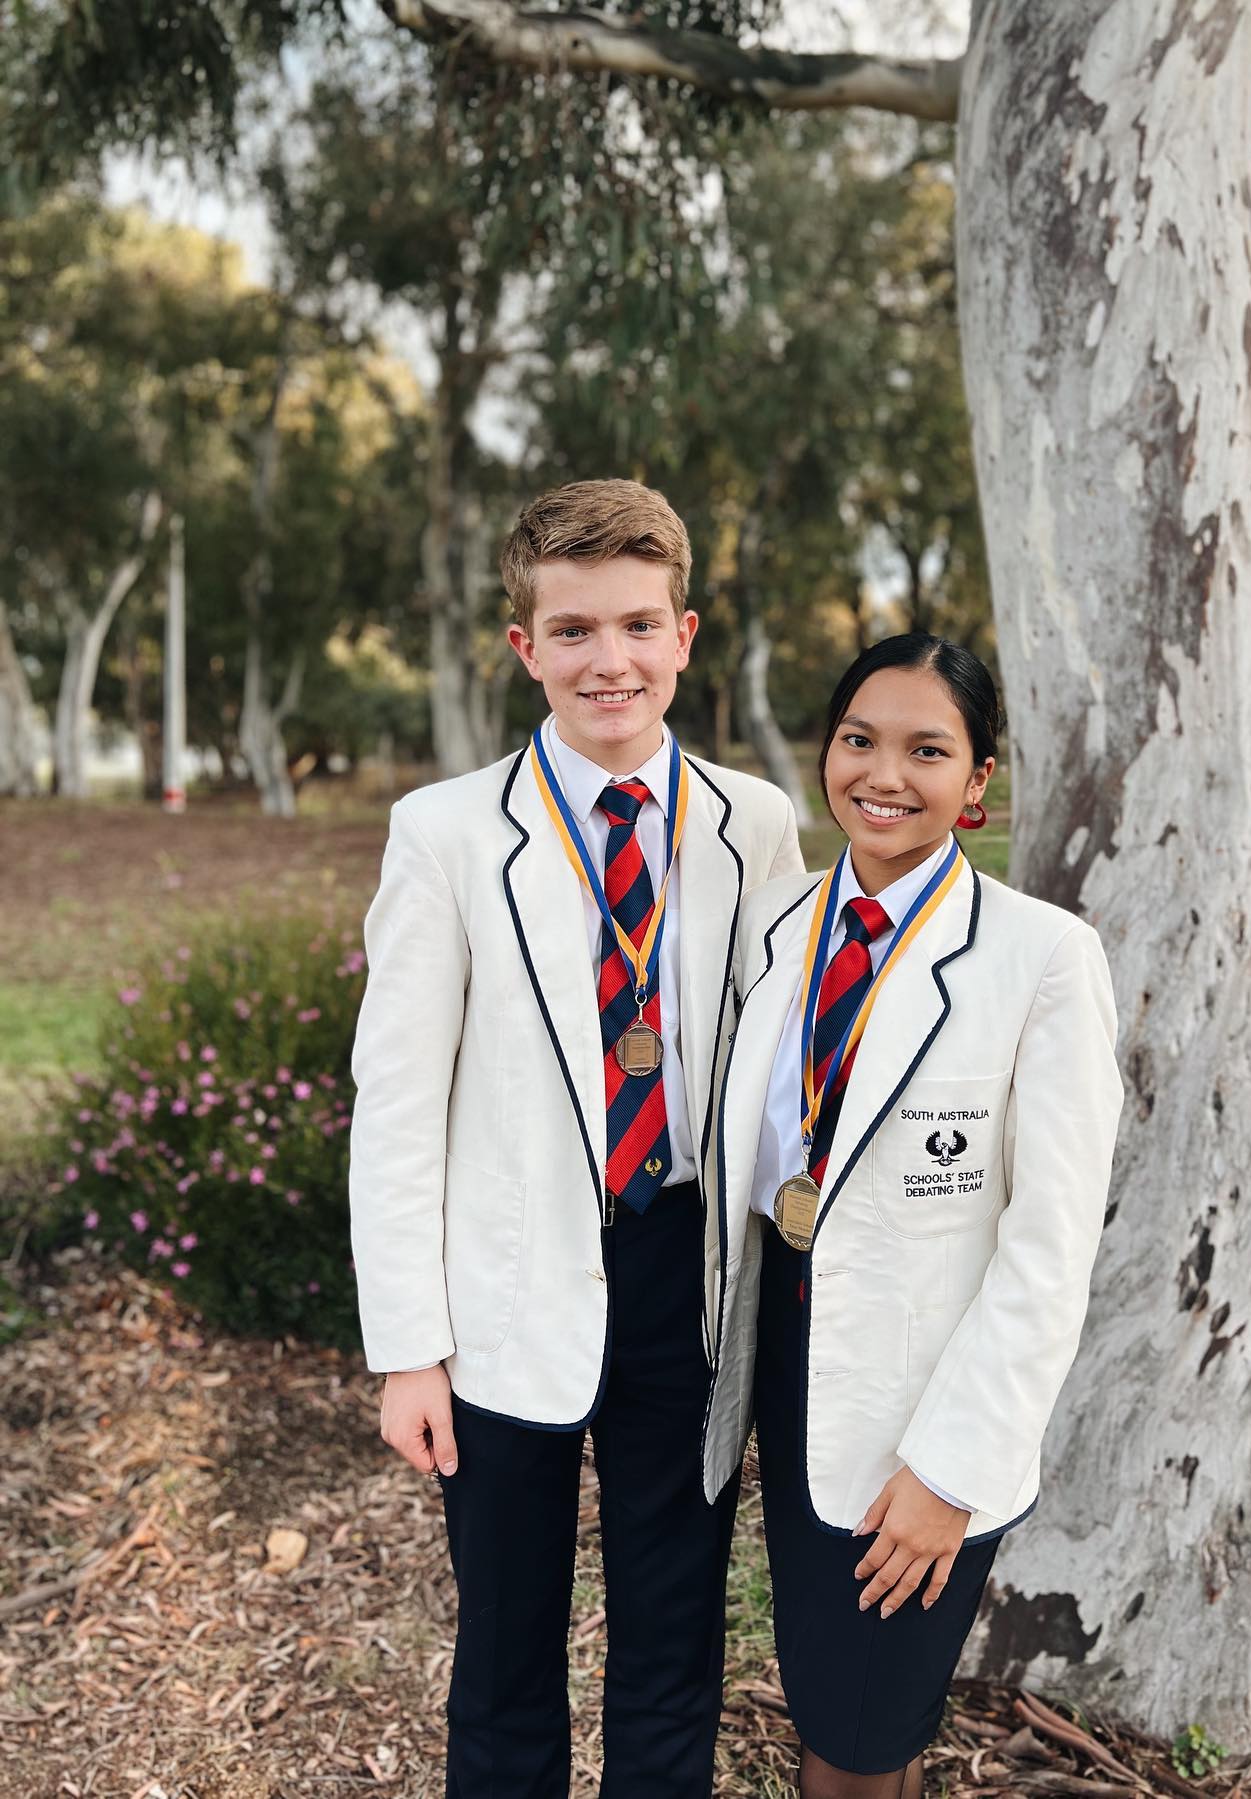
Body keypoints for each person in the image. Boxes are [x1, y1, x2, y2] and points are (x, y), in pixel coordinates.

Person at [348, 478, 804, 1797]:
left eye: (637, 624)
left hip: (686, 1280)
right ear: (524, 646)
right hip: (507, 1282)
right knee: (503, 1646)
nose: (609, 658)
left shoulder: (753, 822)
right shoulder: (443, 834)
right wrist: (408, 1349)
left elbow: (775, 1069)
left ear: (685, 635)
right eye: (573, 629)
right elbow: (397, 1101)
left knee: (675, 1641)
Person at [704, 633, 1124, 1798]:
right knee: (821, 1673)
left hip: (925, 1390)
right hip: (787, 1344)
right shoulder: (781, 931)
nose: (884, 773)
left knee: (864, 1718)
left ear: (979, 780)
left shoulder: (1042, 956)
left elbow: (1050, 1245)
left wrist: (952, 1466)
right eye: (859, 739)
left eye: (928, 748)